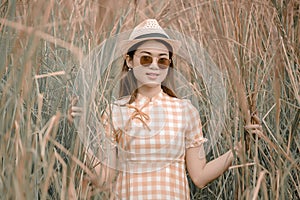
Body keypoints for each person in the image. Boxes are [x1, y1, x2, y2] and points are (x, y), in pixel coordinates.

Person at [69, 19, 253, 199]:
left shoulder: (185, 111)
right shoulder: (114, 111)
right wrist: (83, 128)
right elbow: (104, 179)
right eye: (146, 58)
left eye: (162, 60)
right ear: (130, 61)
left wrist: (240, 147)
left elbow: (200, 177)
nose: (154, 66)